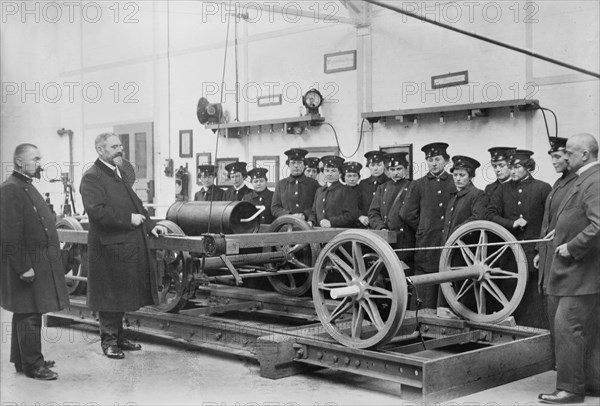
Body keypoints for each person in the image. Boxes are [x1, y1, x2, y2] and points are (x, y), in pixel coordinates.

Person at [80, 133, 166, 359]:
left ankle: (118, 337)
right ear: (100, 150)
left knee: (121, 293)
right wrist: (129, 219)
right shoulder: (92, 177)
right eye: (114, 146)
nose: (120, 149)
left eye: (120, 145)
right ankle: (108, 341)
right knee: (109, 294)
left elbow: (136, 205)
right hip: (107, 247)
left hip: (123, 245)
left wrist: (150, 226)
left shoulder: (118, 173)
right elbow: (98, 212)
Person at [538, 133, 600, 405]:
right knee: (583, 332)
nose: (565, 157)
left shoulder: (593, 181)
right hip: (578, 275)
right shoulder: (584, 179)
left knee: (568, 328)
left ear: (584, 155)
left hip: (580, 274)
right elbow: (578, 217)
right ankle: (591, 383)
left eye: (570, 154)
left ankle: (570, 390)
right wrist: (558, 235)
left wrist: (571, 246)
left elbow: (599, 226)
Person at [0, 143, 69, 380]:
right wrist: (23, 267)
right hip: (26, 264)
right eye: (36, 159)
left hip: (35, 263)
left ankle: (22, 359)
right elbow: (9, 235)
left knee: (26, 311)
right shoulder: (10, 189)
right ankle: (33, 365)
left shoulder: (23, 186)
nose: (40, 163)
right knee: (29, 313)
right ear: (20, 161)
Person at [487, 149, 551, 328]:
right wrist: (512, 224)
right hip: (509, 255)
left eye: (517, 167)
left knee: (533, 295)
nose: (513, 171)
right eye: (511, 167)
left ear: (528, 167)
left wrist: (540, 250)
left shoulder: (543, 188)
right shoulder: (502, 190)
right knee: (510, 291)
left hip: (534, 254)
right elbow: (490, 215)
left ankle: (536, 332)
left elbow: (549, 222)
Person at [399, 142, 455, 310]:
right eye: (430, 160)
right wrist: (423, 228)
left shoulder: (454, 182)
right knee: (426, 284)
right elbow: (406, 213)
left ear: (446, 161)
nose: (434, 163)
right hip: (427, 243)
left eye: (437, 159)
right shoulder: (418, 184)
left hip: (449, 241)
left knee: (448, 278)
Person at [533, 137, 577, 332]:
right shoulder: (559, 183)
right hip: (548, 255)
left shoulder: (576, 183)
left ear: (569, 156)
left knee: (561, 316)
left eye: (557, 156)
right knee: (550, 309)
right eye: (552, 157)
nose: (554, 161)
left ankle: (562, 361)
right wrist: (539, 251)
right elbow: (547, 221)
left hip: (563, 257)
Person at [368, 152, 414, 271]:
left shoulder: (413, 186)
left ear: (405, 169)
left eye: (399, 168)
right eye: (392, 169)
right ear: (388, 170)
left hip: (407, 240)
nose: (396, 172)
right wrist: (381, 228)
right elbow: (373, 213)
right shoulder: (382, 188)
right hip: (387, 239)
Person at [442, 155, 488, 241]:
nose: (458, 179)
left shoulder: (478, 194)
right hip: (450, 246)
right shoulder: (453, 196)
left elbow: (477, 219)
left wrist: (457, 230)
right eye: (455, 175)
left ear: (470, 177)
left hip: (466, 245)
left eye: (462, 175)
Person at [308, 156, 358, 228]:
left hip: (338, 233)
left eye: (333, 171)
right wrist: (311, 221)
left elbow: (351, 215)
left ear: (340, 173)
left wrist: (332, 222)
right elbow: (314, 213)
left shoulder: (346, 190)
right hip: (319, 232)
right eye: (327, 171)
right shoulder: (319, 191)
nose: (329, 174)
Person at [271, 148, 320, 221]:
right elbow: (275, 208)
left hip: (308, 225)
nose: (296, 166)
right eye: (293, 163)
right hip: (286, 225)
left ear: (304, 165)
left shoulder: (313, 184)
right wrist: (290, 215)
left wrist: (304, 214)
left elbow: (317, 205)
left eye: (299, 163)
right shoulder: (281, 184)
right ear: (288, 165)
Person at [357, 150, 389, 228]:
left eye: (379, 165)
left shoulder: (389, 183)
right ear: (368, 166)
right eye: (372, 165)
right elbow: (357, 205)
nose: (375, 168)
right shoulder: (363, 184)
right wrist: (360, 216)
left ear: (384, 165)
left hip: (385, 226)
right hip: (365, 226)